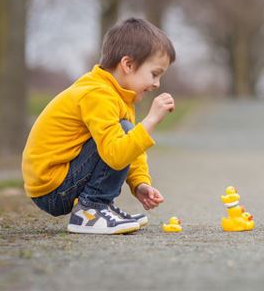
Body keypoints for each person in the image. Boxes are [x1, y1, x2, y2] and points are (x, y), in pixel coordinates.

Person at [22, 18, 176, 234]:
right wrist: (150, 121)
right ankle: (91, 210)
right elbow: (116, 154)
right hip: (52, 187)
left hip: (61, 180)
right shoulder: (98, 95)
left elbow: (129, 148)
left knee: (123, 131)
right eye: (154, 74)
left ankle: (101, 207)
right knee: (122, 132)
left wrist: (139, 183)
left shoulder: (117, 94)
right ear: (128, 65)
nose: (157, 84)